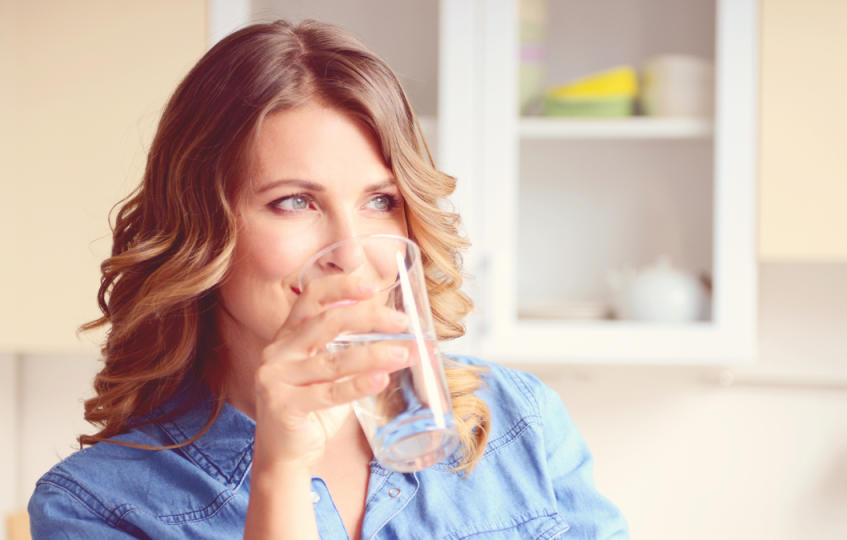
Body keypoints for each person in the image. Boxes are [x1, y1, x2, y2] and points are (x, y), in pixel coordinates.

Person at [28, 20, 629, 539]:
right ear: (200, 230)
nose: (353, 252)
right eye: (294, 202)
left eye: (380, 201)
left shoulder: (519, 421)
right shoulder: (98, 507)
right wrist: (279, 470)